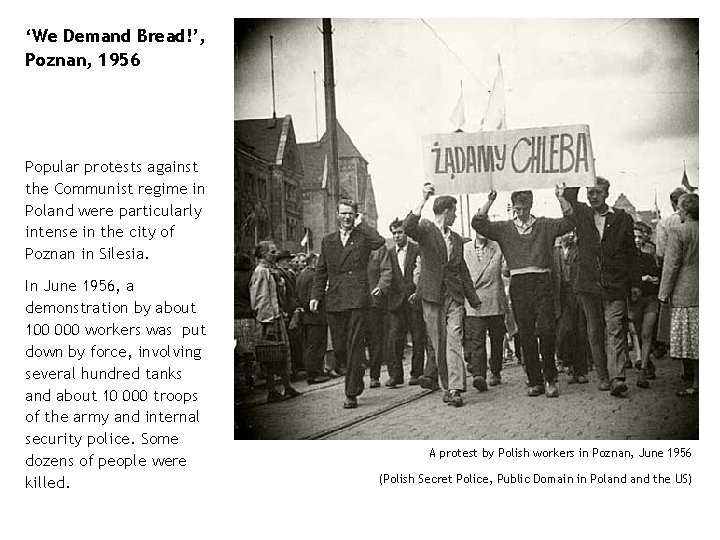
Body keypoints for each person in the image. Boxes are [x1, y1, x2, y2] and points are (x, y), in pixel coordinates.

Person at [471, 186, 574, 397]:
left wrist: (561, 198)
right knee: (525, 334)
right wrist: (490, 200)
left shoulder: (545, 224)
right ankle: (535, 381)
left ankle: (550, 378)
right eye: (517, 209)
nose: (521, 213)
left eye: (525, 209)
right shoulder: (505, 228)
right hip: (519, 283)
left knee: (546, 330)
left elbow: (570, 221)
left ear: (531, 206)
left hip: (542, 281)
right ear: (513, 207)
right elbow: (478, 223)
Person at [404, 183, 481, 407]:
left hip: (454, 296)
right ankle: (447, 386)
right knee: (439, 343)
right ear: (446, 212)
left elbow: (462, 269)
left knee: (454, 339)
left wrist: (473, 298)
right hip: (431, 295)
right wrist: (424, 198)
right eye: (454, 212)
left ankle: (456, 388)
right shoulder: (426, 230)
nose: (456, 216)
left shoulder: (456, 239)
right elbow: (409, 226)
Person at [564, 178, 641, 397]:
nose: (592, 196)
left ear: (606, 194)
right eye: (589, 192)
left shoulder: (622, 218)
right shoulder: (582, 215)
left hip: (614, 283)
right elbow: (569, 197)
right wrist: (579, 174)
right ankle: (603, 376)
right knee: (595, 330)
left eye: (597, 192)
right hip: (587, 284)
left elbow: (631, 252)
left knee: (615, 327)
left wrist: (635, 283)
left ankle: (618, 377)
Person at [310, 199, 386, 409]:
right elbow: (321, 270)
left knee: (354, 345)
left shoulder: (362, 237)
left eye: (350, 213)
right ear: (337, 215)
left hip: (357, 299)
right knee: (341, 348)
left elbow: (379, 241)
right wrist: (315, 295)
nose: (346, 217)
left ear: (355, 215)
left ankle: (350, 393)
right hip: (335, 299)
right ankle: (358, 369)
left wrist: (362, 224)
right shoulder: (328, 241)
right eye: (343, 213)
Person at [658, 193, 699, 396]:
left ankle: (694, 384)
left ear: (686, 209)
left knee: (690, 342)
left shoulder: (677, 231)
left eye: (680, 208)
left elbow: (671, 265)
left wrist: (663, 293)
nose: (679, 212)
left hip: (684, 292)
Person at [250, 241, 301, 403]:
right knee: (270, 355)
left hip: (277, 317)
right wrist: (268, 322)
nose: (275, 254)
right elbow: (261, 299)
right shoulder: (260, 272)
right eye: (272, 252)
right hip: (269, 321)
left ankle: (287, 387)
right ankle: (272, 390)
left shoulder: (271, 271)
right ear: (264, 255)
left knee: (282, 353)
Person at [462, 231, 508, 389]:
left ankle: (495, 371)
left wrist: (507, 268)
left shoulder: (498, 247)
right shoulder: (465, 249)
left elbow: (505, 270)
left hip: (494, 300)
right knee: (477, 340)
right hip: (473, 301)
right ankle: (479, 375)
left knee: (497, 339)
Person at [386, 218, 425, 387]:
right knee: (394, 339)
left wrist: (418, 292)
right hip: (396, 304)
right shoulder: (389, 253)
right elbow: (387, 275)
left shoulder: (417, 249)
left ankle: (417, 373)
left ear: (406, 233)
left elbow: (423, 272)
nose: (397, 236)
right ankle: (396, 375)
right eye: (394, 233)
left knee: (418, 338)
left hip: (414, 301)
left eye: (400, 232)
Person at [552, 231, 589, 384]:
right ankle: (565, 362)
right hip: (560, 295)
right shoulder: (554, 251)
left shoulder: (579, 250)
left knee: (580, 331)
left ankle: (579, 370)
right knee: (565, 330)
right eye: (567, 233)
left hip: (577, 293)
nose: (571, 235)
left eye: (573, 232)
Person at [630, 221, 661, 388]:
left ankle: (642, 370)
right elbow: (626, 281)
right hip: (635, 301)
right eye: (633, 237)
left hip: (650, 299)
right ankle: (647, 362)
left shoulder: (649, 257)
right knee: (639, 332)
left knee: (647, 333)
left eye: (639, 237)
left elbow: (657, 277)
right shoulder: (625, 261)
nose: (636, 240)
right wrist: (642, 279)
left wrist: (655, 279)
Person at [296, 252, 331, 385]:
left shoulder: (302, 275)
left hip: (307, 317)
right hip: (316, 316)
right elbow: (312, 297)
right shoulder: (313, 276)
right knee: (316, 346)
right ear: (314, 262)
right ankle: (314, 374)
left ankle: (314, 372)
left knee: (311, 345)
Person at [366, 244, 392, 388]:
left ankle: (374, 376)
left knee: (375, 340)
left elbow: (386, 271)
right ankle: (355, 376)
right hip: (353, 302)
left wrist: (381, 287)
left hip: (373, 303)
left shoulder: (379, 250)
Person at [234, 252, 257, 391]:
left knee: (236, 352)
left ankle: (238, 382)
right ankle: (249, 380)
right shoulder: (249, 276)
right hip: (247, 316)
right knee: (249, 351)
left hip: (232, 316)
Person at [655, 187, 687, 264]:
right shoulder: (697, 221)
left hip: (672, 267)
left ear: (672, 203)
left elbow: (661, 252)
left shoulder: (664, 223)